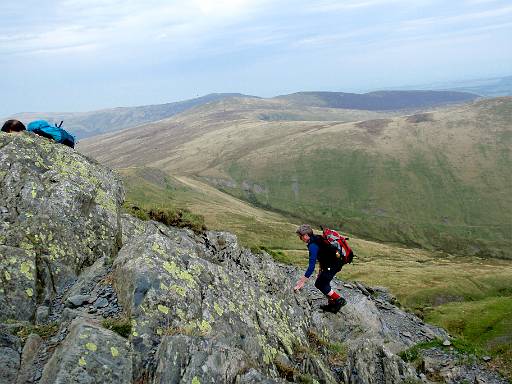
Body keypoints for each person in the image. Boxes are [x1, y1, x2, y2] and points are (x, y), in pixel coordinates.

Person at [293, 224, 347, 313]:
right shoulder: (317, 238)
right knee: (323, 281)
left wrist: (301, 282)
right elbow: (324, 254)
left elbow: (311, 267)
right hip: (334, 262)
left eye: (300, 237)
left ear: (306, 235)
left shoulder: (312, 246)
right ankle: (332, 303)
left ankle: (339, 300)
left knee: (320, 284)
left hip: (333, 265)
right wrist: (321, 269)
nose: (300, 239)